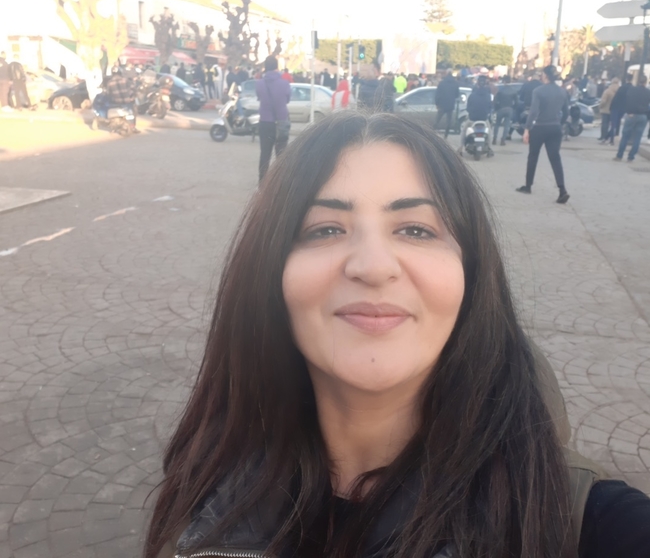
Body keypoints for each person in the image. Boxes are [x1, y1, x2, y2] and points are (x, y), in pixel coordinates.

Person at [146, 112, 650, 558]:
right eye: (325, 229)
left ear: (471, 274)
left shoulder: (585, 520)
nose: (372, 266)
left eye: (415, 230)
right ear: (268, 273)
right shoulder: (204, 484)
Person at [516, 65, 569, 203]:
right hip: (555, 128)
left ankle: (528, 186)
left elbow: (533, 111)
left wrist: (527, 129)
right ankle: (562, 190)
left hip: (540, 127)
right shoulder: (562, 92)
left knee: (533, 156)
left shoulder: (538, 91)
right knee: (555, 158)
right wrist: (559, 123)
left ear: (545, 75)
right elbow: (566, 112)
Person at [255, 55, 291, 182]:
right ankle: (279, 183)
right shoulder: (285, 83)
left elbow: (259, 97)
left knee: (265, 154)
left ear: (265, 67)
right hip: (281, 122)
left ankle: (262, 183)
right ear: (276, 67)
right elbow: (287, 99)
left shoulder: (259, 83)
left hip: (265, 122)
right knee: (281, 156)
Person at [613, 74, 650, 162]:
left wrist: (628, 112)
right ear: (646, 82)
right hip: (643, 116)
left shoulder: (632, 90)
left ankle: (619, 155)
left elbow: (627, 101)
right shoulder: (648, 92)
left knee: (625, 136)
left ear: (638, 81)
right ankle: (631, 157)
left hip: (631, 114)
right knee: (637, 138)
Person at [460, 75, 492, 154]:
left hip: (472, 119)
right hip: (484, 118)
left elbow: (468, 108)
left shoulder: (472, 95)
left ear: (477, 83)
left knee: (464, 131)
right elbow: (490, 107)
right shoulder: (488, 96)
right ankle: (490, 149)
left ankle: (460, 148)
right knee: (489, 132)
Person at [104, 68, 140, 133]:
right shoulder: (126, 80)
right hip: (127, 101)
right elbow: (133, 89)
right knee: (133, 111)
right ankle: (133, 127)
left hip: (116, 102)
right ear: (120, 73)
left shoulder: (110, 83)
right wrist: (132, 97)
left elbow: (108, 94)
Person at [607, 73, 633, 144]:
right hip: (623, 108)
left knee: (613, 124)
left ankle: (611, 140)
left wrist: (611, 107)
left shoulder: (622, 87)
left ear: (626, 79)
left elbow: (616, 97)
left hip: (616, 107)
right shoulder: (632, 88)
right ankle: (607, 137)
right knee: (617, 123)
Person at [434, 70, 460, 138]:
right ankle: (446, 135)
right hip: (450, 105)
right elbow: (457, 95)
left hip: (442, 104)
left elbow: (437, 94)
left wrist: (437, 103)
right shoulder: (455, 83)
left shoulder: (442, 83)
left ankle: (433, 132)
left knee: (437, 120)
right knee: (448, 121)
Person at [492, 75, 516, 146]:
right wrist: (513, 108)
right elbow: (516, 102)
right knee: (507, 125)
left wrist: (496, 108)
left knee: (497, 124)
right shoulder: (513, 90)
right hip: (509, 109)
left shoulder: (500, 90)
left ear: (504, 81)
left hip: (501, 108)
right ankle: (503, 140)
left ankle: (494, 139)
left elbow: (495, 100)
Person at [598, 78, 619, 142]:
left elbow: (603, 101)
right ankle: (610, 137)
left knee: (605, 124)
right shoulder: (619, 91)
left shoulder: (607, 91)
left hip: (605, 109)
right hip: (614, 110)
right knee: (612, 125)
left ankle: (603, 136)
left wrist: (600, 106)